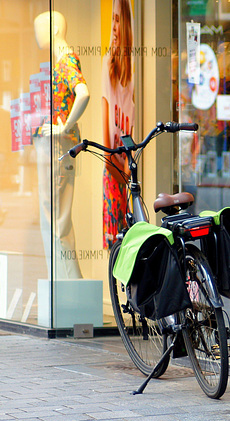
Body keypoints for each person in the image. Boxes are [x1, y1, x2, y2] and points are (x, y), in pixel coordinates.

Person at [33, 10, 89, 279]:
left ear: (55, 29)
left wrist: (64, 126)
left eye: (40, 27)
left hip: (58, 146)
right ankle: (64, 289)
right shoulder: (59, 61)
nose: (36, 33)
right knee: (54, 220)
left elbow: (83, 93)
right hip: (55, 145)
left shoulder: (66, 61)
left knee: (57, 222)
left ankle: (71, 291)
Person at [102, 0, 134, 249]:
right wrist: (112, 159)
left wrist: (128, 163)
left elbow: (131, 123)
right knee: (117, 240)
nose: (114, 26)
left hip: (127, 163)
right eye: (112, 19)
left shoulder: (133, 69)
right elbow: (105, 114)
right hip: (114, 165)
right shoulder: (107, 63)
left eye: (118, 19)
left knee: (130, 236)